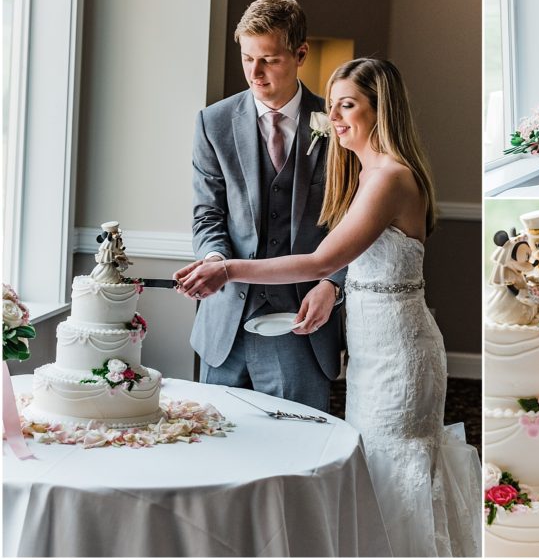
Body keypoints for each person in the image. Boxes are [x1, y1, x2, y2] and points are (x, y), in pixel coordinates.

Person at [176, 58, 481, 557]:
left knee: (393, 470)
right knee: (374, 466)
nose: (335, 117)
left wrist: (229, 269)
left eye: (348, 105)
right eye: (333, 105)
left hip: (398, 358)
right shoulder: (369, 171)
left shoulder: (389, 178)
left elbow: (322, 259)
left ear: (380, 110)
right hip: (373, 352)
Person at [185, 0, 345, 412]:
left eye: (269, 60)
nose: (255, 73)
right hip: (226, 324)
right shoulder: (213, 122)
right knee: (218, 447)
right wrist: (214, 258)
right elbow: (207, 214)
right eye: (247, 58)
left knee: (301, 452)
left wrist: (333, 283)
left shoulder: (336, 122)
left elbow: (352, 221)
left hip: (302, 322)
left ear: (300, 54)